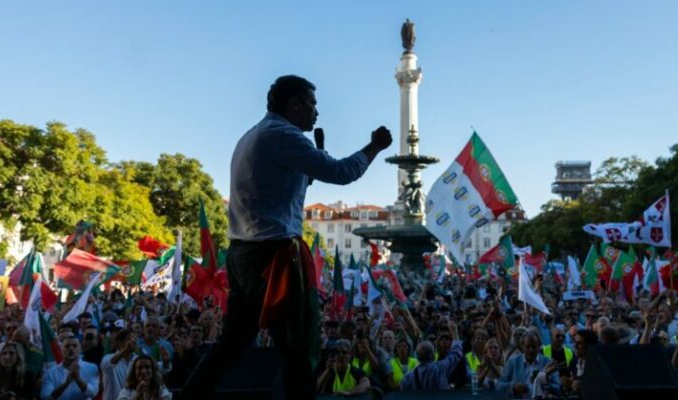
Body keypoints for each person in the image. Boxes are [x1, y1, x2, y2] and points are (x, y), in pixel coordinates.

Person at [183, 75, 392, 400]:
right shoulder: (285, 136)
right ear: (293, 104)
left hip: (242, 255)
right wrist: (374, 147)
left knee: (232, 343)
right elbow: (342, 172)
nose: (316, 113)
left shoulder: (252, 137)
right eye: (312, 104)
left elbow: (277, 188)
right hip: (276, 258)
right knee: (297, 348)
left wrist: (309, 166)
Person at [399, 321, 463, 391]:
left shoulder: (409, 376)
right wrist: (454, 333)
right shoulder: (440, 368)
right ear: (433, 355)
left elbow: (402, 389)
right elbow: (456, 354)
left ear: (417, 356)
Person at [496, 332, 559, 399]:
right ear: (522, 346)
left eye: (534, 347)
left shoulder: (548, 362)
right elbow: (499, 385)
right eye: (528, 346)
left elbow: (557, 387)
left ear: (539, 346)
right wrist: (514, 387)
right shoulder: (513, 362)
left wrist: (542, 383)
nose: (531, 350)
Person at [101, 329, 137, 400]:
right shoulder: (107, 358)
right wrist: (125, 351)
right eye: (129, 339)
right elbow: (109, 363)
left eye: (135, 339)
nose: (133, 341)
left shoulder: (138, 360)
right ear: (119, 342)